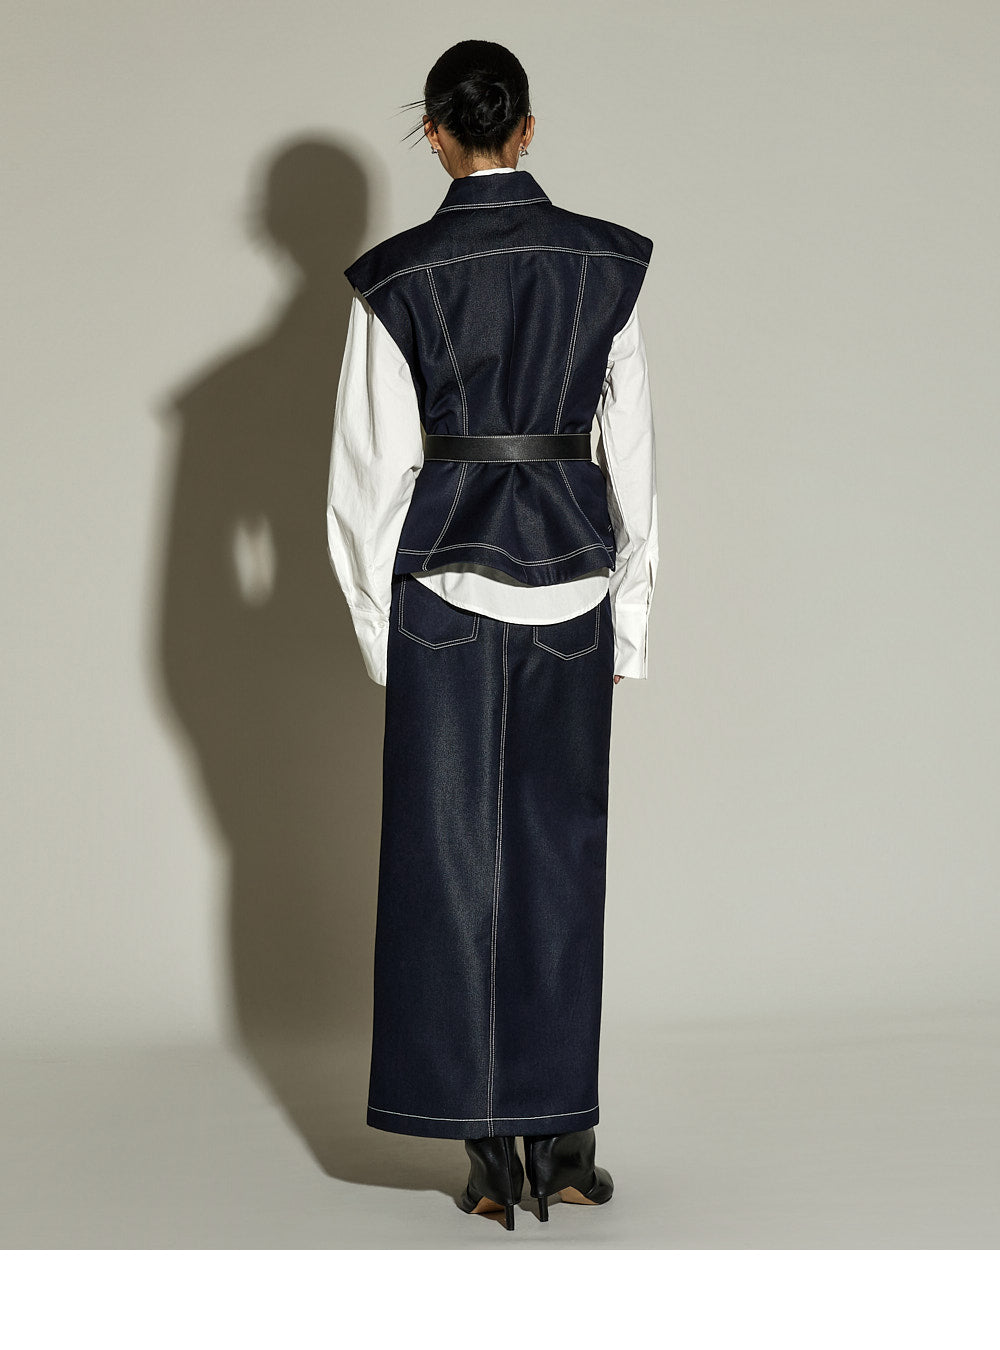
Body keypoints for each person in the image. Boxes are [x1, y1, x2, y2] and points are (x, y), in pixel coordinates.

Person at [326, 39, 658, 1231]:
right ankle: (564, 1142)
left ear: (435, 132)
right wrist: (631, 614)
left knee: (447, 863)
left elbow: (367, 478)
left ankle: (483, 1156)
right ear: (525, 128)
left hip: (443, 593)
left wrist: (383, 635)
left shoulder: (396, 280)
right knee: (562, 856)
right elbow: (635, 457)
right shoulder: (606, 263)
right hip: (575, 581)